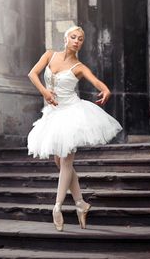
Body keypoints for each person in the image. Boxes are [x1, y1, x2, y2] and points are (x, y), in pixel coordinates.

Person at [27, 25, 123, 231]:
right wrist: (45, 92)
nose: (77, 41)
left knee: (66, 161)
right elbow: (32, 74)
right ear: (65, 38)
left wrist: (105, 89)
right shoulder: (50, 55)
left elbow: (96, 81)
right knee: (59, 162)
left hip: (72, 114)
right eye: (73, 37)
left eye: (80, 38)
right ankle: (80, 203)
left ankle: (57, 206)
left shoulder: (79, 66)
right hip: (54, 114)